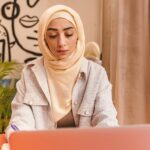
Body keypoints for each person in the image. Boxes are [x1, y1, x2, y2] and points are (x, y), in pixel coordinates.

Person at [3, 4, 118, 146]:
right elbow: (22, 118)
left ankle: (91, 57)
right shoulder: (30, 73)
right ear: (44, 39)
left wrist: (107, 139)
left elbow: (106, 119)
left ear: (78, 36)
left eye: (69, 34)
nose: (61, 43)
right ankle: (90, 55)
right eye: (52, 36)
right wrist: (18, 132)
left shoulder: (97, 74)